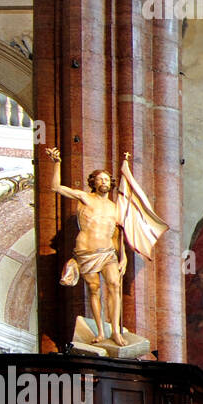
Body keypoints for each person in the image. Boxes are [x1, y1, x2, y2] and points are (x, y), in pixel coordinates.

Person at [46, 147, 166, 345]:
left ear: (110, 183)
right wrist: (57, 162)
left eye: (106, 179)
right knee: (94, 289)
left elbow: (118, 234)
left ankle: (115, 332)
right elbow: (56, 187)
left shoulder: (114, 208)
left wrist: (124, 257)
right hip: (86, 251)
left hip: (107, 252)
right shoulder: (85, 198)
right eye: (99, 179)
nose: (103, 182)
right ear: (93, 182)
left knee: (115, 285)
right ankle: (100, 332)